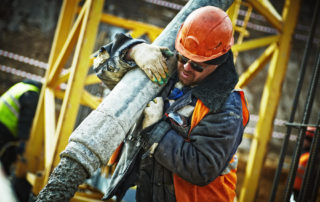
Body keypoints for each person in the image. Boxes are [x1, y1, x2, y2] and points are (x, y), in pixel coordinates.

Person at [36, 6, 249, 202]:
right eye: (183, 57)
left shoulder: (227, 106)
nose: (185, 67)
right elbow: (101, 64)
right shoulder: (169, 67)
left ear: (217, 63)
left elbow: (202, 168)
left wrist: (155, 130)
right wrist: (133, 51)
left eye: (196, 66)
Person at [0, 79, 42, 176]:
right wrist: (23, 140)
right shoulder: (32, 94)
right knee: (6, 159)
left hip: (3, 124)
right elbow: (25, 120)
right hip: (4, 127)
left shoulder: (21, 86)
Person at [291, 126, 316, 201]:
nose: (303, 141)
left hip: (303, 190)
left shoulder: (310, 156)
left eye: (306, 139)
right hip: (295, 187)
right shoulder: (302, 153)